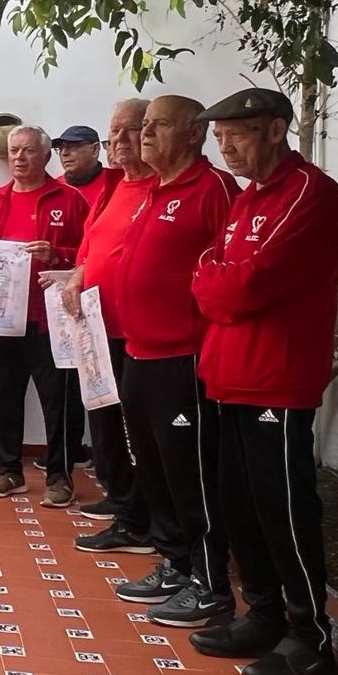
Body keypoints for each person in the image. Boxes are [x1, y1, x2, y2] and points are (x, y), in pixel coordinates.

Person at [190, 88, 338, 675]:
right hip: (229, 373)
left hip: (276, 379)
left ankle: (310, 637)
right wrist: (217, 281)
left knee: (284, 509)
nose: (226, 147)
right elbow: (207, 271)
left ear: (277, 130)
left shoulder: (310, 194)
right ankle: (264, 612)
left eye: (239, 134)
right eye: (220, 136)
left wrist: (218, 282)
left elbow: (241, 288)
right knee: (238, 505)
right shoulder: (249, 197)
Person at [94, 95, 240, 630]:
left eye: (157, 126)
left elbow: (229, 272)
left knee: (190, 475)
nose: (144, 135)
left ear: (193, 134)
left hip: (184, 358)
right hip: (139, 352)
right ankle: (176, 563)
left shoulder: (213, 190)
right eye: (143, 126)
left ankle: (210, 586)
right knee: (153, 471)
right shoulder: (150, 190)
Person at [0, 125, 89, 507]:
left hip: (50, 319)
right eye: (14, 151)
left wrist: (56, 254)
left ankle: (59, 477)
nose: (19, 157)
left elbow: (88, 252)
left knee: (58, 400)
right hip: (1, 318)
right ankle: (8, 471)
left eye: (28, 151)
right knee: (5, 396)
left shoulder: (69, 199)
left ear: (46, 155)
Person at [51, 99, 151, 523]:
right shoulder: (113, 187)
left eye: (132, 131)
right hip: (97, 323)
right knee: (104, 413)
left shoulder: (162, 187)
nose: (120, 141)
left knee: (136, 424)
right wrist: (76, 276)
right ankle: (120, 496)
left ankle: (143, 514)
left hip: (142, 333)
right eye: (115, 132)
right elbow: (92, 247)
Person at [54, 124, 118, 209]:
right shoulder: (54, 189)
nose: (64, 153)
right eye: (60, 148)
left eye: (72, 146)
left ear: (95, 149)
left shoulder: (115, 182)